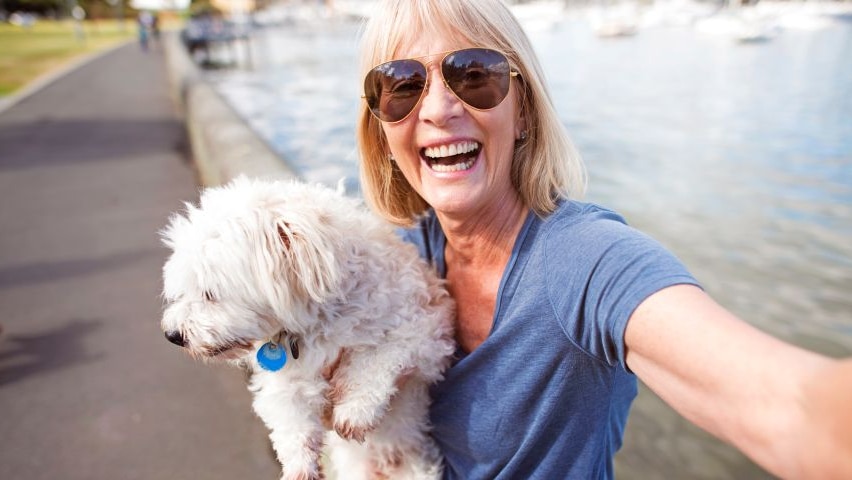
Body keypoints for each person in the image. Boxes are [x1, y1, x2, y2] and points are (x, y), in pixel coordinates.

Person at [352, 0, 852, 478]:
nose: (439, 109)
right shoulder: (402, 254)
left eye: (474, 76)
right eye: (402, 85)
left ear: (524, 110)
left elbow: (792, 410)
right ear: (381, 127)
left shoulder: (585, 260)